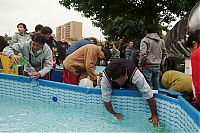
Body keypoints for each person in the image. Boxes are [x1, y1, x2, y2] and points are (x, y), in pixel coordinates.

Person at [101, 58, 160, 127]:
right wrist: (114, 113)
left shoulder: (136, 74)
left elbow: (148, 94)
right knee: (111, 89)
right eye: (118, 81)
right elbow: (106, 98)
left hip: (130, 82)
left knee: (136, 88)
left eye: (122, 80)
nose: (120, 83)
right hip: (114, 83)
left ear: (126, 72)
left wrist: (154, 115)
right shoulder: (106, 77)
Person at [138, 24, 167, 90]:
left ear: (146, 32)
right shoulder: (161, 41)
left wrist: (140, 65)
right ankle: (157, 98)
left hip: (147, 65)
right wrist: (162, 62)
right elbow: (164, 53)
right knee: (156, 84)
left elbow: (143, 54)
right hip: (157, 65)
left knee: (147, 85)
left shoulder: (145, 40)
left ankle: (149, 99)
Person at [186, 29, 200, 109]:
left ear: (194, 44)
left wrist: (198, 101)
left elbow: (198, 84)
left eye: (191, 50)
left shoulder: (196, 54)